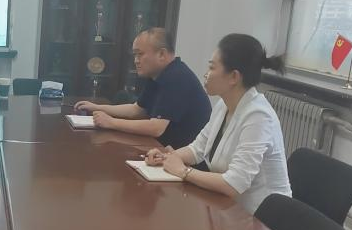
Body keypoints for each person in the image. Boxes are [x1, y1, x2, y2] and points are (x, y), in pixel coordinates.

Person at [144, 33, 291, 214]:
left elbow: (234, 183)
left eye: (212, 68)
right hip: (229, 208)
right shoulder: (224, 104)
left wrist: (183, 171)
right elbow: (198, 148)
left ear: (234, 77)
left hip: (262, 218)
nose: (206, 74)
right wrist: (167, 157)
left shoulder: (258, 116)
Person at [74, 27, 211, 149]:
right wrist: (97, 107)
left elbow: (156, 128)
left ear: (161, 54)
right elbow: (136, 110)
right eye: (135, 55)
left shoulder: (177, 77)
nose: (136, 60)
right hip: (162, 149)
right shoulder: (157, 75)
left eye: (140, 54)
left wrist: (111, 122)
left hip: (184, 159)